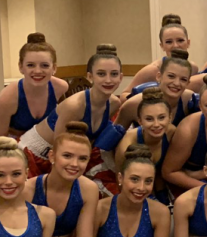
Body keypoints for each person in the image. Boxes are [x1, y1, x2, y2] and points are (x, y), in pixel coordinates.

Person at [19, 44, 124, 196]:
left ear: (121, 77)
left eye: (114, 74)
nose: (108, 80)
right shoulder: (75, 106)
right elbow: (58, 148)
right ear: (90, 76)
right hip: (36, 155)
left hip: (68, 157)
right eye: (101, 74)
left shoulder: (114, 103)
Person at [115, 88, 176, 205]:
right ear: (140, 121)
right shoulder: (127, 146)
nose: (156, 124)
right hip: (131, 184)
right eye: (149, 119)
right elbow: (121, 183)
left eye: (162, 117)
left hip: (158, 181)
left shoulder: (172, 133)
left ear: (170, 117)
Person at [0, 33, 68, 137]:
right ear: (21, 67)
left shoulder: (60, 87)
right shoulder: (7, 97)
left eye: (44, 65)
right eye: (30, 65)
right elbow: (2, 141)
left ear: (54, 68)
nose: (37, 71)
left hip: (47, 144)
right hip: (14, 147)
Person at [115, 49, 197, 128]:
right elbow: (114, 138)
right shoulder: (133, 104)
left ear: (188, 83)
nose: (176, 83)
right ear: (159, 76)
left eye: (183, 79)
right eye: (171, 76)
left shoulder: (189, 99)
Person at [121, 15, 198, 99]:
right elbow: (124, 95)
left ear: (188, 42)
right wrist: (146, 103)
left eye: (180, 40)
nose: (175, 45)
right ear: (162, 46)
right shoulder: (152, 70)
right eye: (169, 42)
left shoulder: (193, 68)